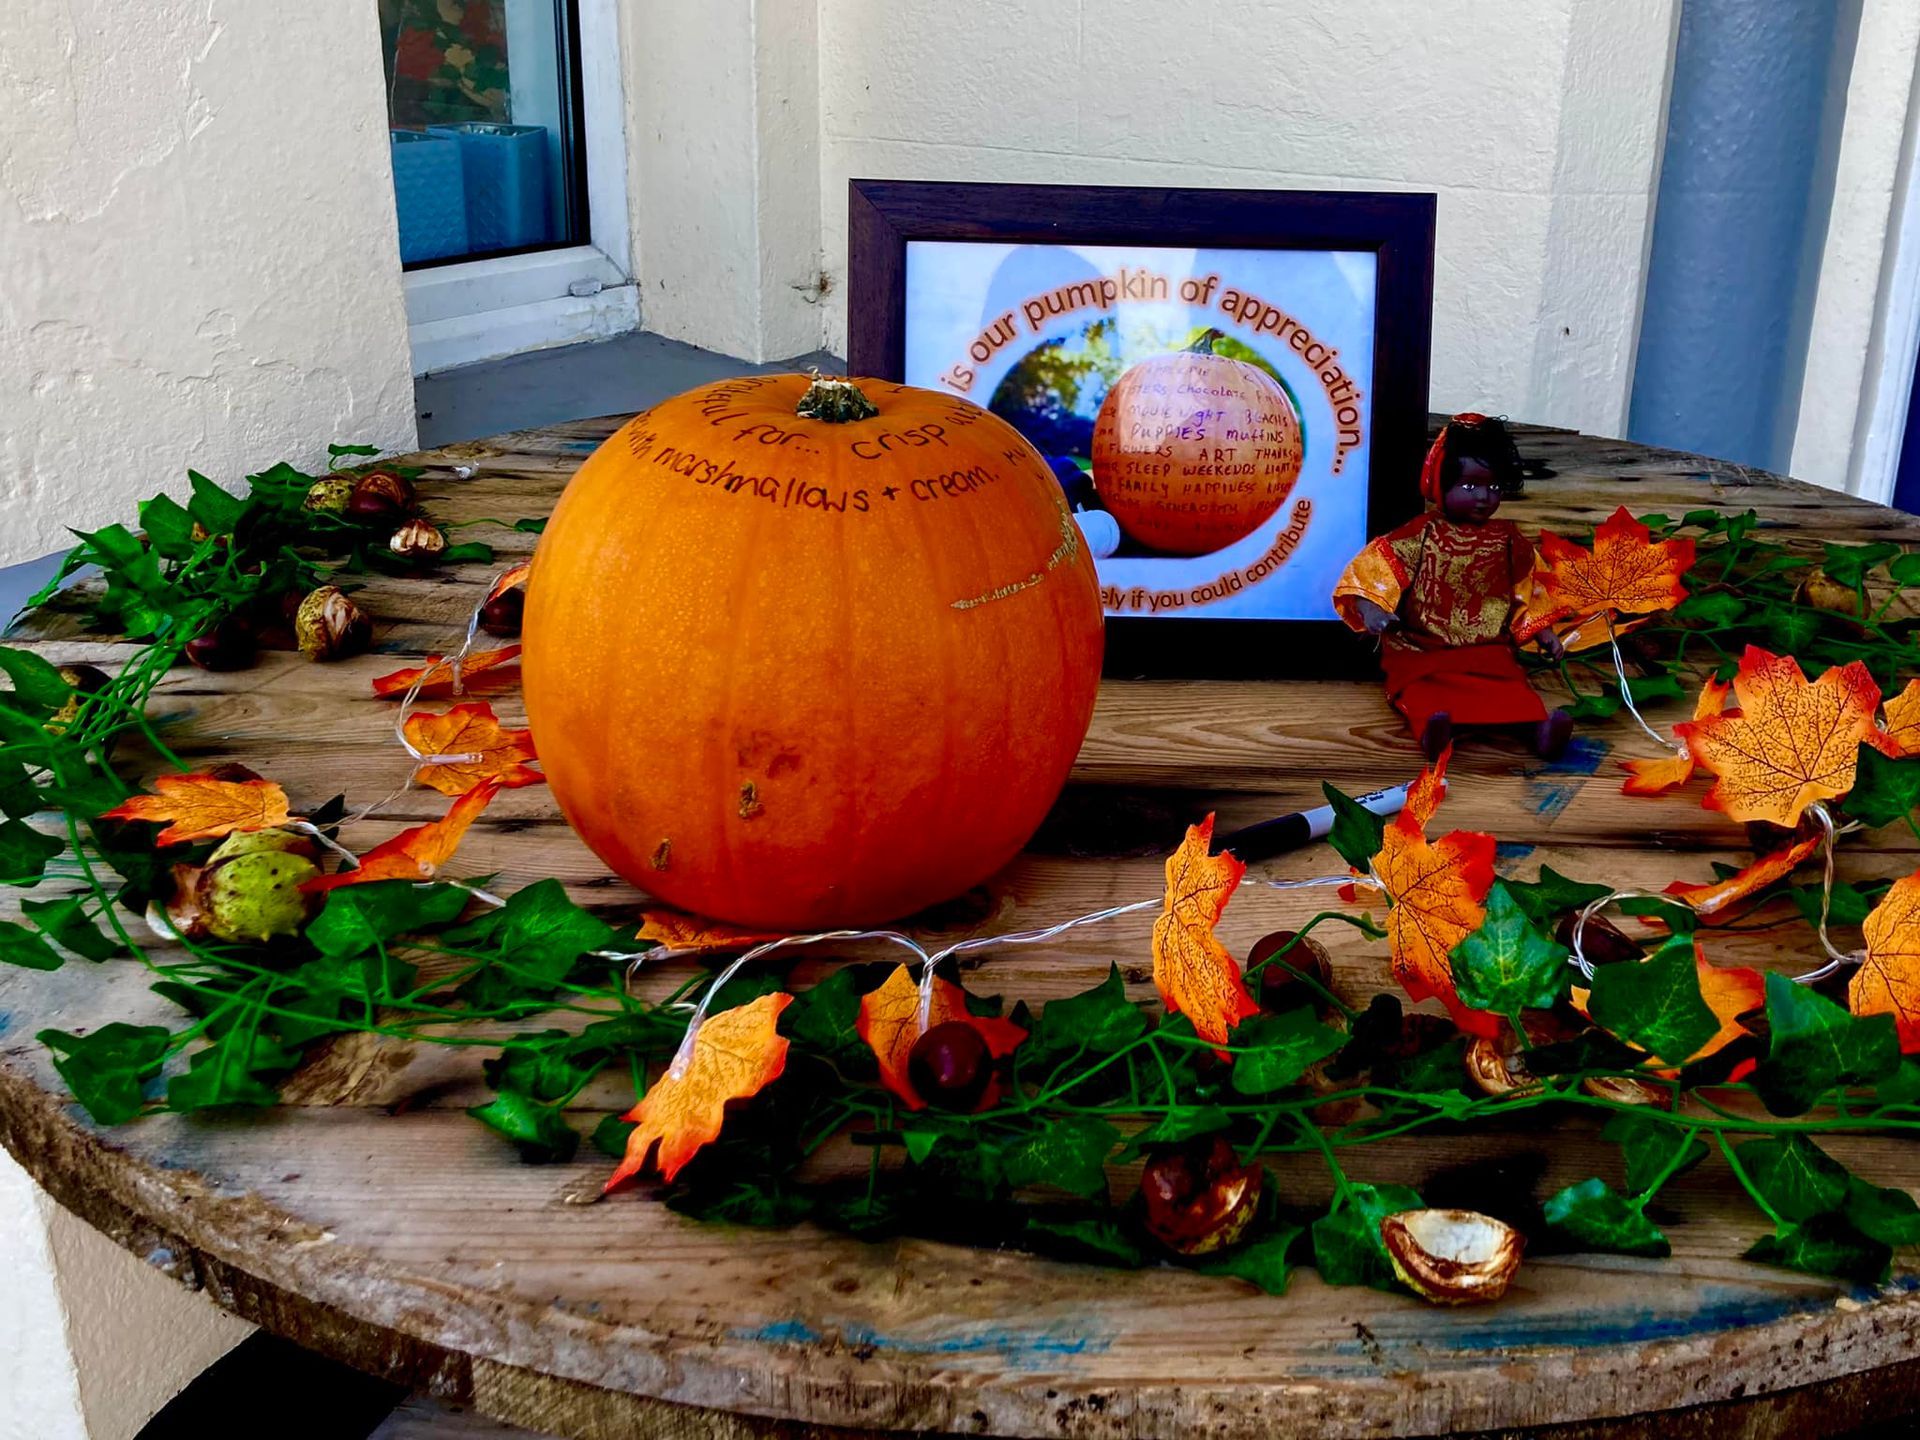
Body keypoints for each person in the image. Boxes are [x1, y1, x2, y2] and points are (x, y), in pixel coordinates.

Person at [1333, 414, 1572, 760]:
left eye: (1494, 488)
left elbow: (1528, 587)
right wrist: (1373, 608)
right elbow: (1377, 568)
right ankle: (1434, 732)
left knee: (1514, 690)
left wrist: (1543, 631)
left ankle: (1539, 730)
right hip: (1423, 650)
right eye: (1470, 487)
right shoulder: (1421, 534)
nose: (1484, 497)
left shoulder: (1508, 540)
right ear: (1438, 484)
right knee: (1421, 693)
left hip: (1487, 652)